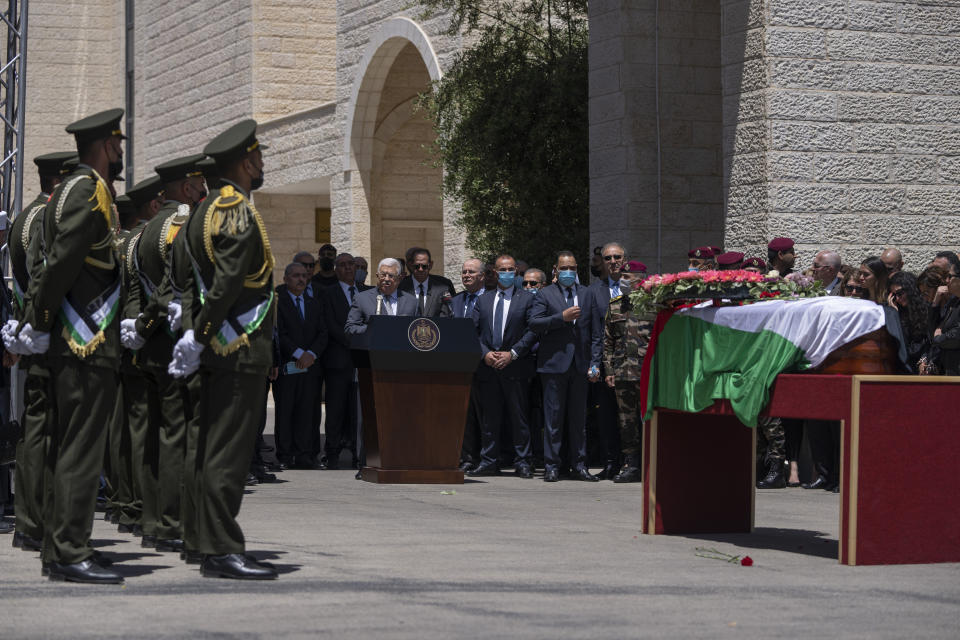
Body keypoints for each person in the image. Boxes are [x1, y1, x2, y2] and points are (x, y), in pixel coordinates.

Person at [9, 108, 128, 583]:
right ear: (104, 145)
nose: (121, 151)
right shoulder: (88, 191)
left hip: (77, 340)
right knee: (80, 448)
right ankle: (67, 551)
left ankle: (63, 542)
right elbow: (60, 263)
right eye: (117, 144)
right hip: (84, 342)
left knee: (69, 446)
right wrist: (38, 319)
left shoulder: (73, 190)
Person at [167, 119, 278, 580]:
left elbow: (186, 281)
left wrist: (195, 334)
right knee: (227, 454)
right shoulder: (232, 207)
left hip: (215, 348)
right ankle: (221, 547)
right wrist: (202, 331)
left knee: (205, 448)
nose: (263, 163)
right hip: (238, 347)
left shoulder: (203, 210)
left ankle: (199, 539)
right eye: (260, 156)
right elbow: (230, 280)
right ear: (247, 160)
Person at [122, 154, 209, 554]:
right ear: (188, 188)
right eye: (201, 183)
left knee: (150, 436)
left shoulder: (144, 230)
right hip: (174, 342)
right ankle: (172, 522)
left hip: (149, 347)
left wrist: (135, 328)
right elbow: (171, 285)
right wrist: (147, 325)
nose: (205, 189)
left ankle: (150, 519)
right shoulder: (181, 223)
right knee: (178, 435)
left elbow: (135, 286)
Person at [6, 151, 75, 553]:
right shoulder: (45, 219)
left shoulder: (24, 219)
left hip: (37, 335)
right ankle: (36, 523)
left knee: (39, 431)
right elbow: (46, 279)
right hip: (50, 337)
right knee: (46, 435)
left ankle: (33, 522)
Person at [530, 251, 599, 482]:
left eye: (572, 268)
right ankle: (552, 465)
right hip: (553, 366)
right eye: (564, 268)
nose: (568, 272)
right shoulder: (545, 294)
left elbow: (596, 333)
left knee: (578, 420)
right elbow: (534, 323)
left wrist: (595, 363)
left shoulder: (587, 294)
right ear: (555, 270)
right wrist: (562, 317)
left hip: (580, 365)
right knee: (553, 419)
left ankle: (579, 465)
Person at [468, 255, 538, 478]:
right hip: (488, 368)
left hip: (516, 366)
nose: (507, 273)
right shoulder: (484, 300)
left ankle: (523, 461)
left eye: (511, 270)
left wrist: (513, 353)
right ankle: (489, 460)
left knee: (519, 418)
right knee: (490, 418)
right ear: (494, 273)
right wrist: (485, 354)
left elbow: (532, 330)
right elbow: (473, 332)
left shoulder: (527, 299)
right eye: (502, 270)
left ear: (516, 272)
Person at [601, 261, 653, 483]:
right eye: (622, 276)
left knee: (650, 418)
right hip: (623, 373)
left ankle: (653, 463)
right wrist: (609, 369)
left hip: (649, 373)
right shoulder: (615, 305)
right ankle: (631, 464)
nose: (623, 280)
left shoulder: (655, 305)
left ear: (641, 278)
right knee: (626, 421)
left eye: (628, 277)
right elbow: (608, 341)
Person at [318, 253, 370, 469]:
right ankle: (332, 453)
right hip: (338, 360)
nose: (349, 268)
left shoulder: (368, 292)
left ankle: (360, 454)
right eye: (343, 265)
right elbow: (329, 323)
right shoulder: (327, 293)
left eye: (352, 264)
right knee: (336, 409)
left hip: (363, 360)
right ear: (336, 269)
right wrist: (353, 340)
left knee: (359, 409)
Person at [275, 262, 327, 469]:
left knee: (307, 411)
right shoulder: (279, 303)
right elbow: (280, 333)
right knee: (286, 411)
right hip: (288, 365)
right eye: (296, 276)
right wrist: (298, 353)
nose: (301, 279)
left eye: (304, 276)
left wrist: (311, 354)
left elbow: (323, 333)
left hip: (310, 366)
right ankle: (285, 455)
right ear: (286, 278)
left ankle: (305, 454)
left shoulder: (314, 303)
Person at [588, 243, 633, 479]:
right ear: (603, 262)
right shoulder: (593, 292)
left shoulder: (639, 289)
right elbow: (593, 332)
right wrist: (595, 364)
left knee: (631, 419)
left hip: (634, 365)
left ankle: (633, 463)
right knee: (606, 417)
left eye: (617, 257)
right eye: (608, 258)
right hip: (606, 365)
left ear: (626, 259)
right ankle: (611, 463)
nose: (613, 261)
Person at [450, 259, 486, 471]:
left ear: (482, 275)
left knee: (483, 415)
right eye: (463, 272)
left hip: (483, 364)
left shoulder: (490, 299)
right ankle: (467, 457)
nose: (466, 275)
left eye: (471, 272)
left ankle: (487, 457)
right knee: (464, 415)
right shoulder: (455, 301)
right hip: (459, 367)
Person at [345, 258, 418, 334]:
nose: (386, 279)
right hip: (372, 344)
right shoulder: (361, 299)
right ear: (377, 276)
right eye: (383, 275)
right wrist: (372, 329)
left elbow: (417, 328)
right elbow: (350, 328)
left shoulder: (411, 301)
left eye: (391, 275)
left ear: (399, 278)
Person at [888, 271, 931, 371]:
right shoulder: (899, 313)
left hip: (925, 362)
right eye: (894, 295)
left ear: (910, 290)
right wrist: (894, 316)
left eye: (900, 293)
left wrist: (924, 359)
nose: (897, 299)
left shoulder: (926, 308)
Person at [399, 247, 455, 317]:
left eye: (424, 266)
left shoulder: (442, 289)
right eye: (417, 266)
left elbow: (446, 316)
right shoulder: (401, 287)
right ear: (411, 265)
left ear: (430, 265)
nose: (420, 269)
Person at [930, 271, 960, 375]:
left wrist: (938, 338)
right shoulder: (954, 301)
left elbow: (955, 337)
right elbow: (932, 328)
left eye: (950, 277)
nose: (946, 281)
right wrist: (935, 303)